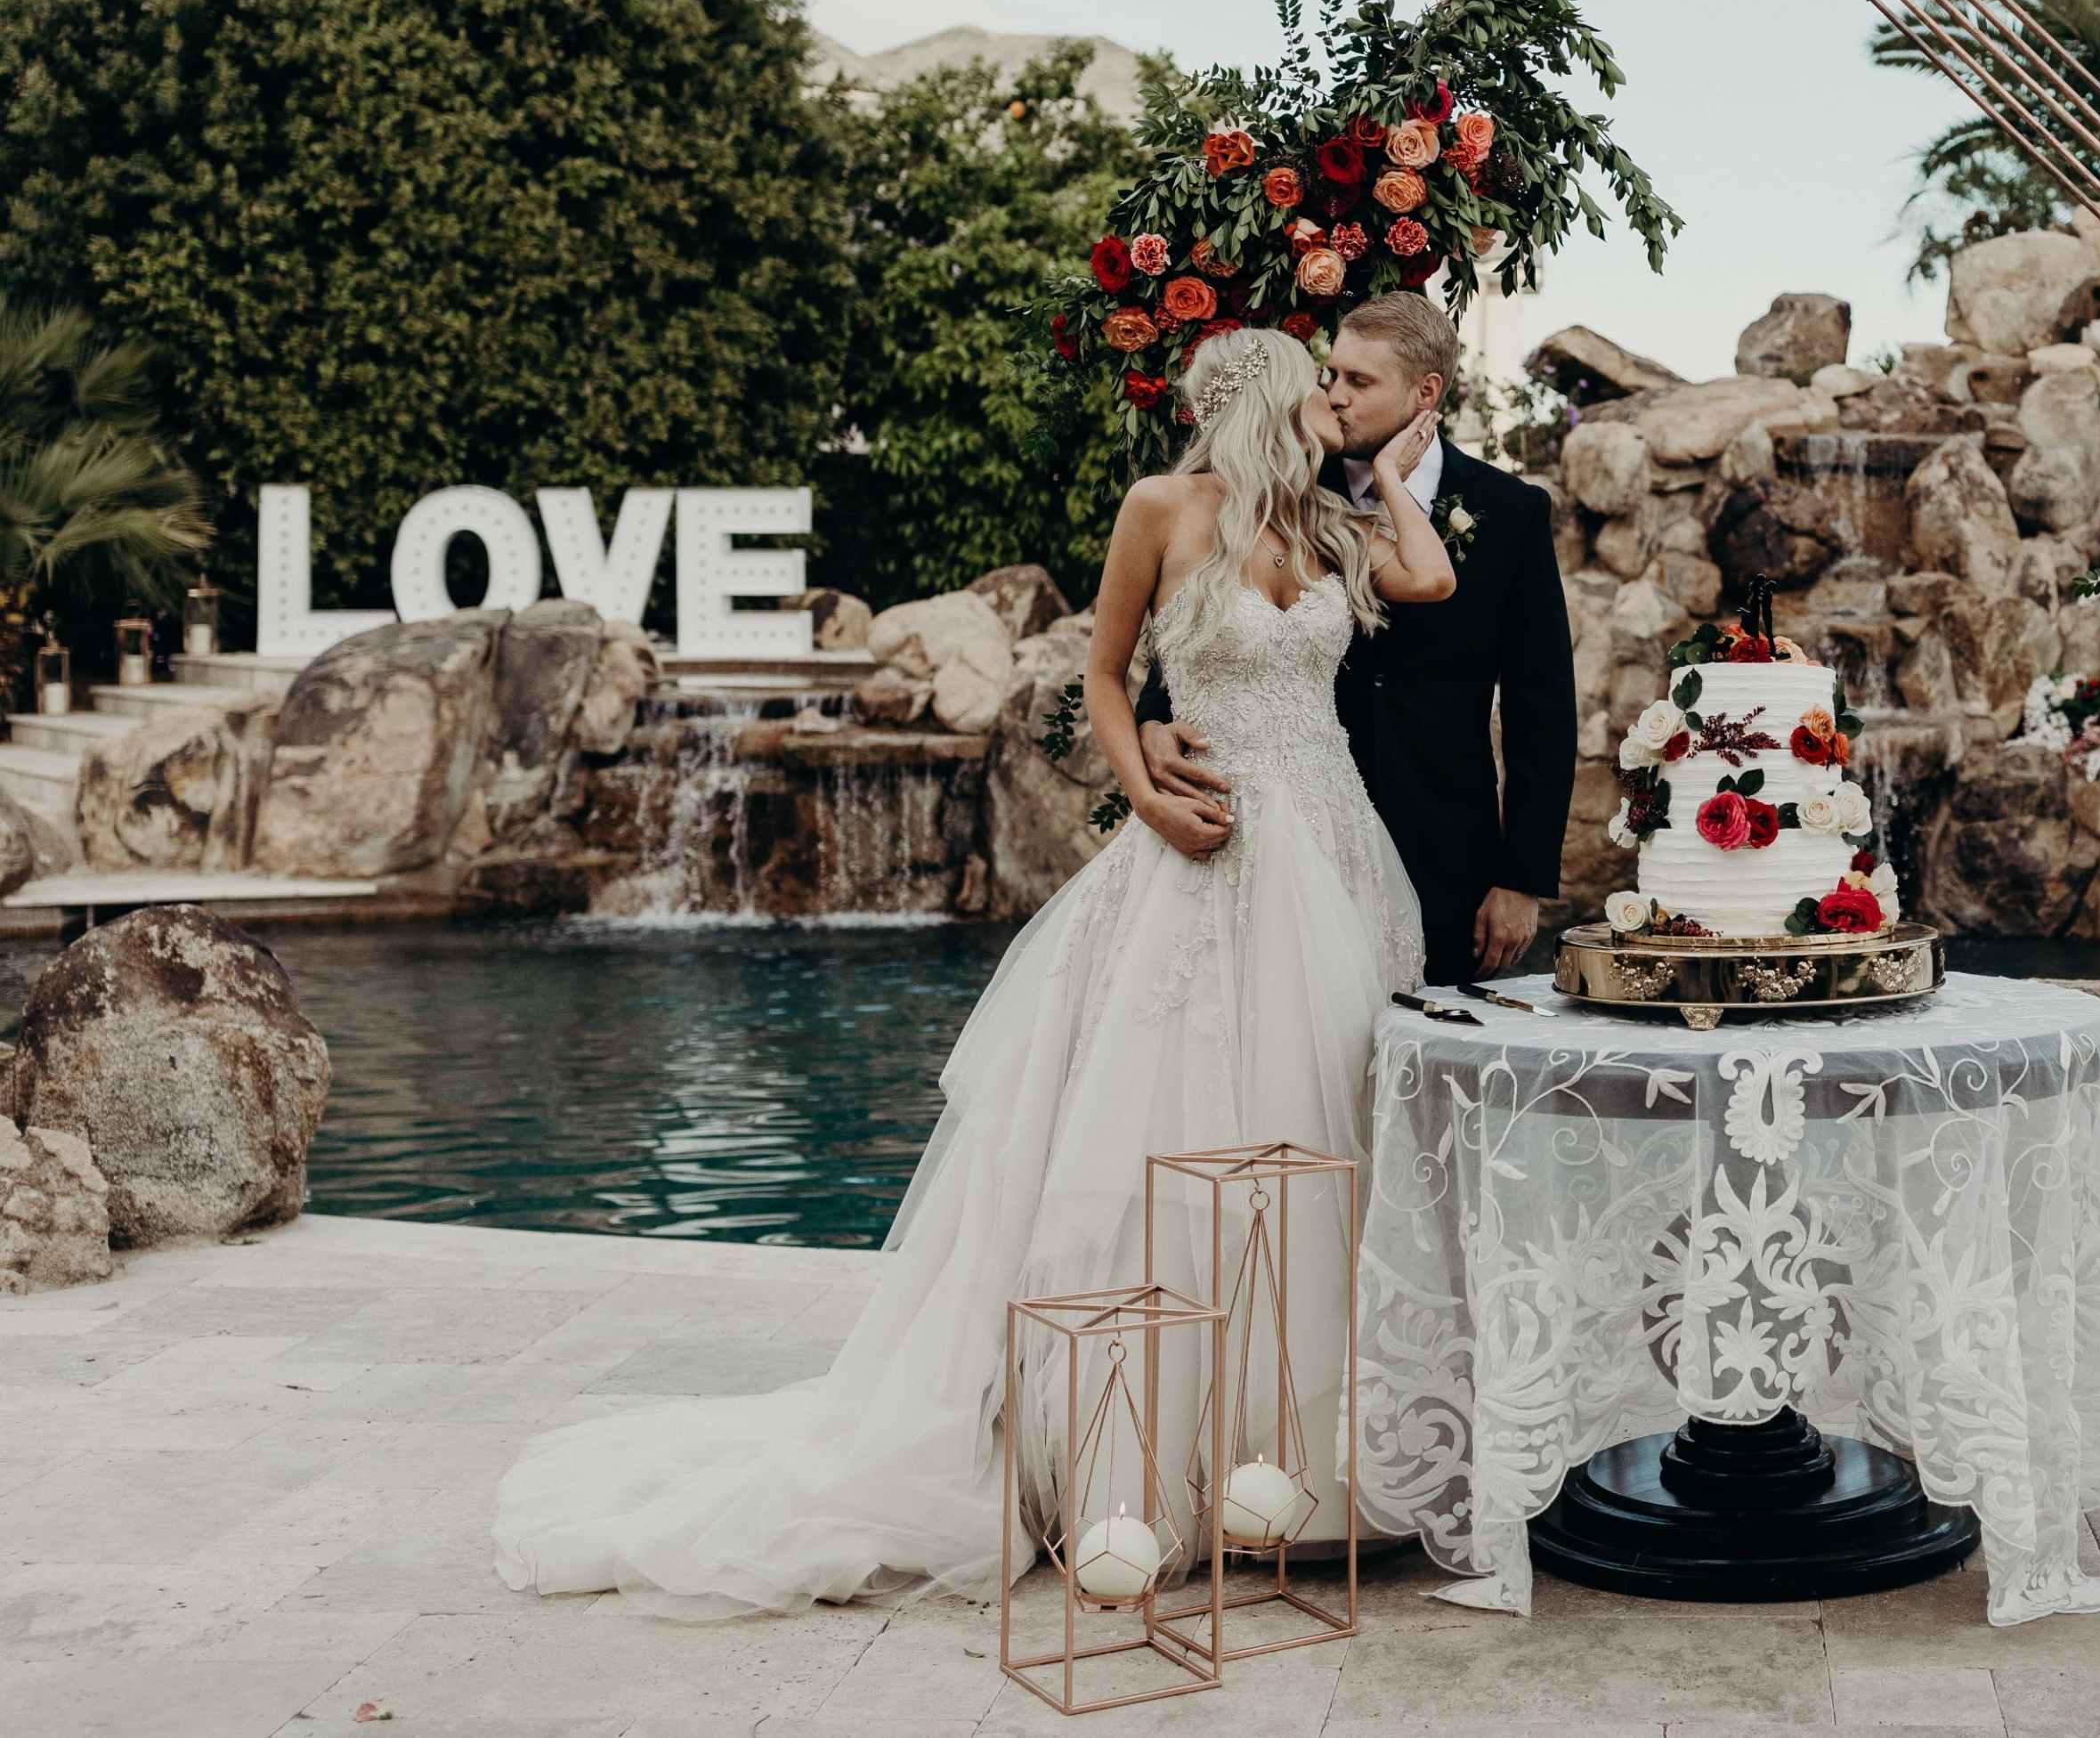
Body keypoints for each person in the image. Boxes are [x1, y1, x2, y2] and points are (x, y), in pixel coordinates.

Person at [491, 326, 1452, 1616]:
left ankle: (1295, 1464)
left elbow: (1432, 574)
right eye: (1320, 386)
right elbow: (1109, 674)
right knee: (1171, 1130)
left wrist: (1387, 466)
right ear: (1269, 397)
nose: (1336, 401)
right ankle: (1136, 1469)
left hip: (1332, 853)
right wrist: (1143, 787)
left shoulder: (1329, 525)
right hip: (1202, 851)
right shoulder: (1162, 508)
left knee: (1314, 1136)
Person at [1139, 293, 1574, 987]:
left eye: (1359, 382)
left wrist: (1521, 878)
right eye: (1331, 375)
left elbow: (1541, 706)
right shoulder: (1285, 488)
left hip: (1444, 852)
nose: (1335, 396)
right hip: (1281, 839)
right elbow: (1202, 621)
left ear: (1425, 392)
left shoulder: (1513, 513)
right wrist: (1152, 721)